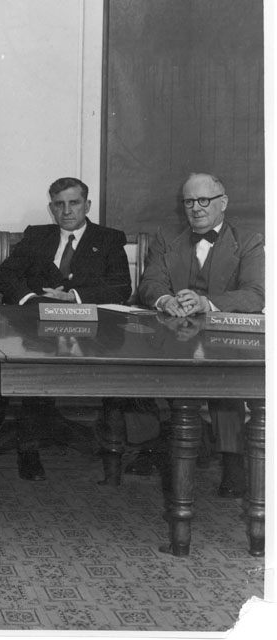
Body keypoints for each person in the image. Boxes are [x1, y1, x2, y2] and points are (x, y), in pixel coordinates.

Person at [0, 176, 131, 481]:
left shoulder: (109, 239)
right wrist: (32, 299)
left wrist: (74, 298)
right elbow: (1, 277)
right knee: (31, 363)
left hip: (91, 332)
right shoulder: (38, 236)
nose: (66, 211)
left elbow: (120, 288)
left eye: (74, 203)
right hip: (37, 328)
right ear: (51, 208)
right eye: (59, 205)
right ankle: (30, 449)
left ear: (87, 205)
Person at [136, 172, 264, 498]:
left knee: (227, 387)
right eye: (189, 201)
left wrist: (207, 303)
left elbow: (256, 294)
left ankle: (233, 463)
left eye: (204, 200)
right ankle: (172, 449)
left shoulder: (248, 241)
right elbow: (149, 285)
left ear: (223, 202)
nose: (196, 208)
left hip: (224, 339)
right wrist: (164, 299)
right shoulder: (167, 238)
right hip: (174, 336)